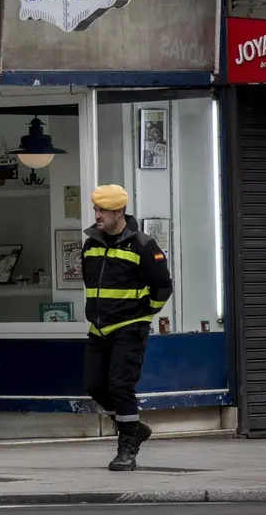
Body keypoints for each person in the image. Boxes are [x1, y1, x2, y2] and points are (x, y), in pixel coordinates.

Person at [82, 184, 174, 471]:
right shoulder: (90, 244)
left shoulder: (143, 246)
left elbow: (162, 287)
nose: (97, 215)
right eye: (95, 209)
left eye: (103, 210)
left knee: (121, 387)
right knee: (95, 386)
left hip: (129, 327)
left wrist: (146, 313)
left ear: (119, 212)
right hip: (99, 329)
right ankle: (135, 428)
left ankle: (127, 449)